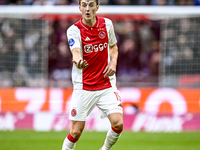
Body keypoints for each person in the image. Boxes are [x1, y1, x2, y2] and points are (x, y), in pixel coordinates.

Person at [61, 0, 123, 150]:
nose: (87, 9)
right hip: (84, 86)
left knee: (118, 123)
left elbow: (113, 47)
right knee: (75, 132)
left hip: (106, 84)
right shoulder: (74, 30)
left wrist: (113, 61)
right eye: (84, 5)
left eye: (90, 5)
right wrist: (78, 61)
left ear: (97, 7)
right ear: (79, 7)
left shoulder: (107, 24)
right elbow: (75, 52)